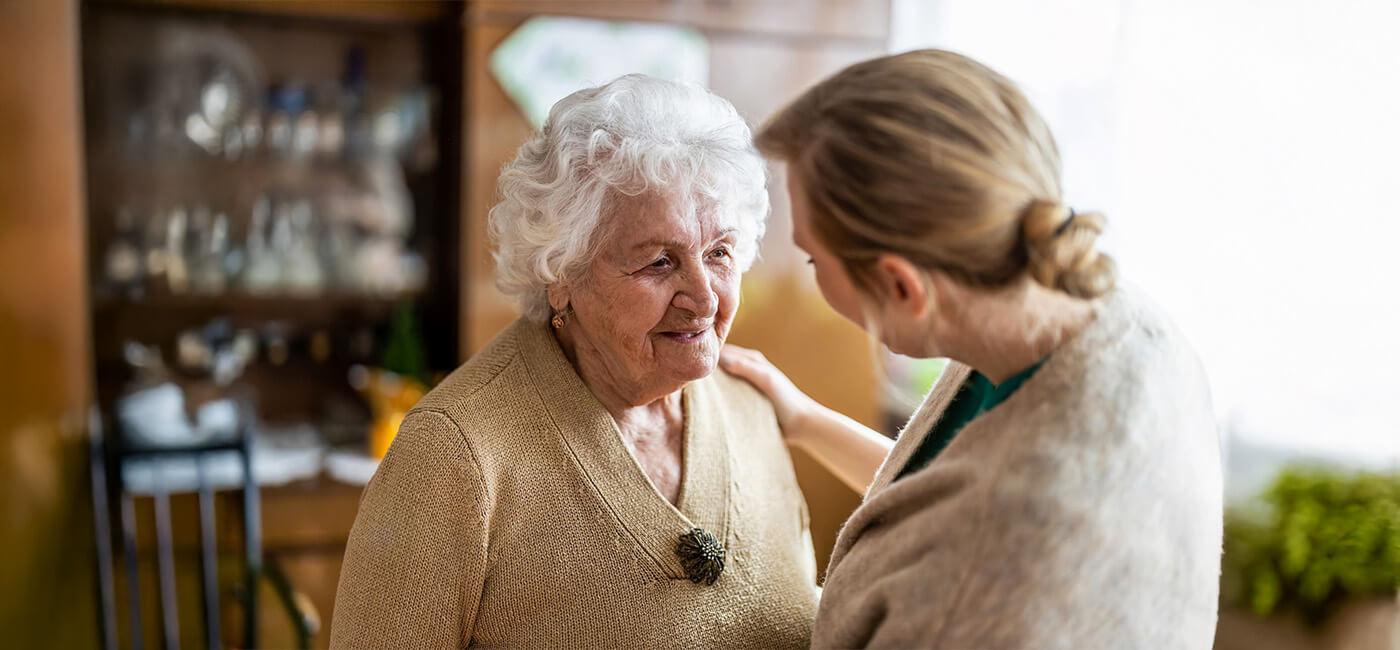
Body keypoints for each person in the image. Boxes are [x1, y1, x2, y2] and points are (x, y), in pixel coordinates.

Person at [720, 49, 1223, 649]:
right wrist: (803, 419)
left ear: (902, 286)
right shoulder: (1105, 315)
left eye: (812, 259)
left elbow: (974, 529)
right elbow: (946, 490)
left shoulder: (990, 567)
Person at [331, 75, 819, 648]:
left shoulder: (753, 409)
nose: (706, 298)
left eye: (719, 253)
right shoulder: (455, 456)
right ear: (561, 275)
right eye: (660, 262)